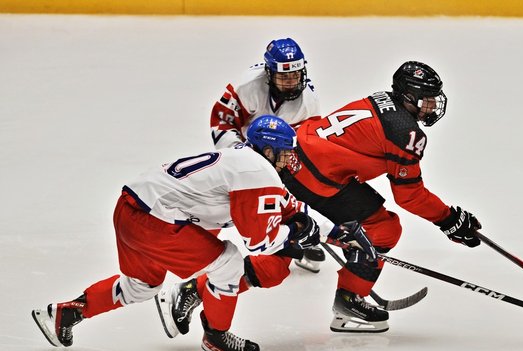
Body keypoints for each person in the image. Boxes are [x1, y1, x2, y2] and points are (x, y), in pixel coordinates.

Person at [161, 61, 482, 335]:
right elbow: (409, 195)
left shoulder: (384, 100)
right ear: (409, 98)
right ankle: (196, 290)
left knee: (380, 229)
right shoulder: (407, 133)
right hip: (314, 178)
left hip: (303, 158)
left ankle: (349, 300)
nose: (432, 105)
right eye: (427, 99)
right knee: (282, 258)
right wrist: (449, 220)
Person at [32, 116, 373, 351]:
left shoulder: (247, 161)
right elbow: (260, 243)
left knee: (141, 286)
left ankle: (67, 312)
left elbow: (289, 206)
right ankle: (217, 340)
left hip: (132, 209)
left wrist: (337, 231)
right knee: (228, 265)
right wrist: (298, 235)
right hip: (154, 221)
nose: (289, 159)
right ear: (268, 150)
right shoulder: (258, 172)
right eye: (284, 152)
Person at [210, 37, 324, 273]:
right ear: (269, 73)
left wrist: (280, 165)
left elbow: (302, 144)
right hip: (242, 147)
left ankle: (292, 237)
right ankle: (203, 240)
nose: (291, 82)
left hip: (279, 150)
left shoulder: (308, 103)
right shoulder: (247, 88)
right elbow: (222, 122)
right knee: (225, 197)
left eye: (295, 75)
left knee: (288, 193)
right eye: (284, 77)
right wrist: (241, 154)